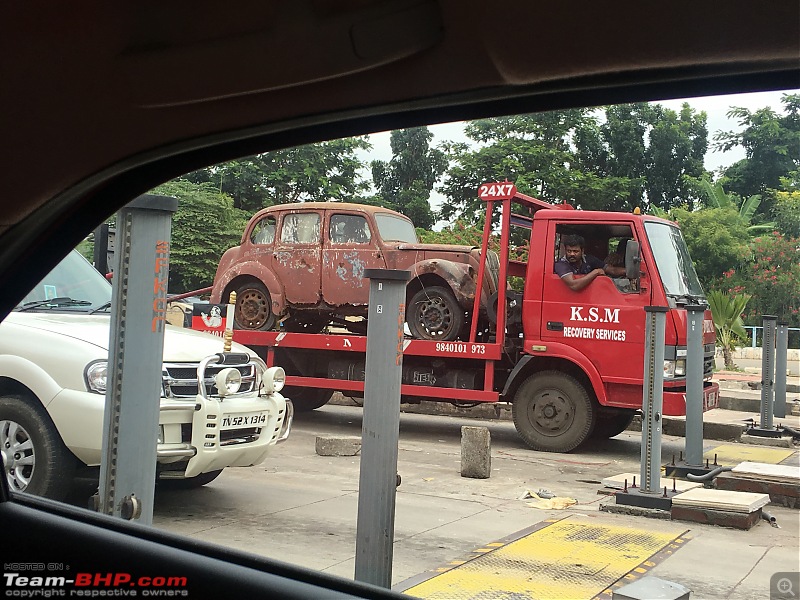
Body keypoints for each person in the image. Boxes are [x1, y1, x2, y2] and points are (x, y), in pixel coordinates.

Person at [554, 234, 625, 291]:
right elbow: (574, 285)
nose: (572, 254)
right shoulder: (561, 265)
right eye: (569, 251)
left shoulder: (589, 259)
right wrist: (596, 272)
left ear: (582, 251)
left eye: (575, 251)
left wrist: (630, 271)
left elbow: (612, 270)